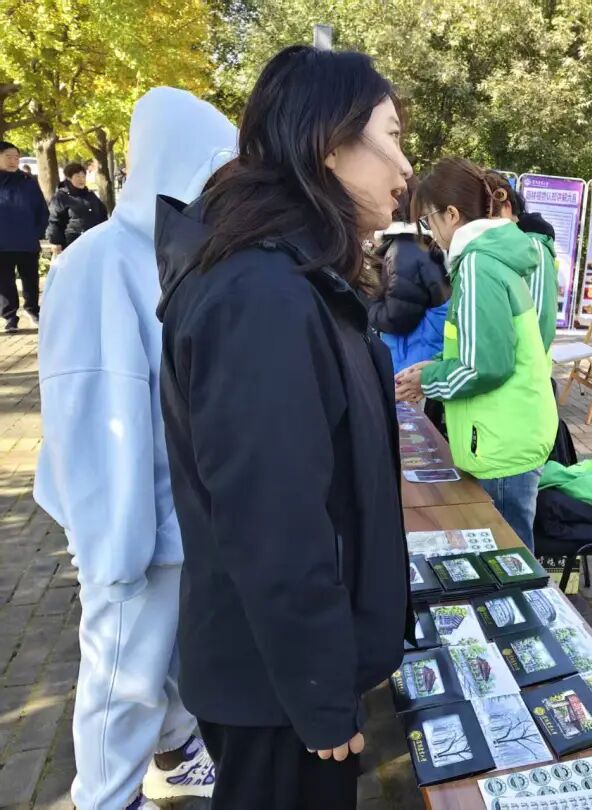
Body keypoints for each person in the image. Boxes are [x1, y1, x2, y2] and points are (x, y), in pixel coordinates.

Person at [156, 46, 412, 809]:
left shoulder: (290, 274)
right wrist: (320, 694)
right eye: (392, 137)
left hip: (282, 672)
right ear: (330, 143)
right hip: (273, 686)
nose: (406, 168)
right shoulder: (261, 293)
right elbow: (273, 521)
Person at [34, 88, 233, 810]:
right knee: (121, 676)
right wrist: (115, 548)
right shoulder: (99, 263)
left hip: (172, 516)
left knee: (164, 663)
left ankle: (173, 755)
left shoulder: (172, 256)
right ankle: (106, 798)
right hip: (130, 523)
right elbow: (93, 417)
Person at [396, 158, 558, 550]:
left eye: (428, 221)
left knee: (507, 559)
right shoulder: (492, 258)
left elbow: (486, 366)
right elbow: (483, 347)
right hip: (511, 435)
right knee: (512, 554)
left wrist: (427, 380)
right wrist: (435, 366)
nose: (430, 234)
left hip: (501, 443)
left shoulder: (477, 265)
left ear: (452, 214)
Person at [368, 178, 451, 373]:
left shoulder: (403, 251)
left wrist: (367, 303)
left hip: (411, 360)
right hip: (428, 350)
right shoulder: (418, 243)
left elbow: (397, 318)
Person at [490, 175, 558, 352]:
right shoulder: (499, 246)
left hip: (521, 366)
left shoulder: (533, 248)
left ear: (506, 208)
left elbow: (540, 321)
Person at [0, 140, 48, 331]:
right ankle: (10, 317)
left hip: (27, 240)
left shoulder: (28, 181)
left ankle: (33, 310)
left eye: (16, 157)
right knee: (5, 282)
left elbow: (41, 209)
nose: (13, 161)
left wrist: (37, 232)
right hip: (2, 243)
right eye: (8, 157)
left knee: (30, 280)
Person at [47, 162, 109, 255]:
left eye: (83, 176)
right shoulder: (61, 197)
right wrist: (55, 242)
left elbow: (102, 214)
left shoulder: (90, 195)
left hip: (93, 241)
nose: (81, 179)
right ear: (69, 178)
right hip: (72, 242)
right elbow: (54, 220)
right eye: (78, 176)